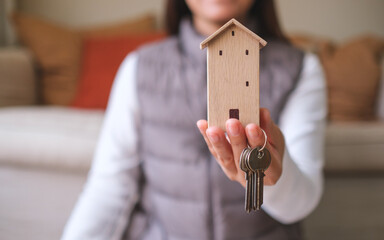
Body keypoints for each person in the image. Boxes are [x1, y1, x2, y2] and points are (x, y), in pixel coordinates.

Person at [62, 0, 327, 239]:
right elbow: (109, 188)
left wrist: (275, 177)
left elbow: (300, 203)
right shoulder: (139, 67)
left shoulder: (301, 69)